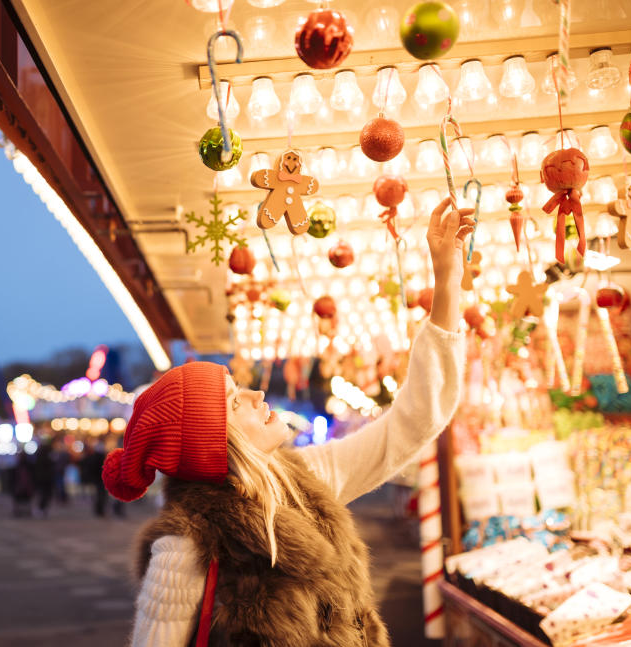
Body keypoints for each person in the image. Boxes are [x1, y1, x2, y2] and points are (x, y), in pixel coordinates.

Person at [104, 199, 473, 647]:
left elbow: (415, 421)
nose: (256, 394)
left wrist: (447, 282)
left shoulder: (305, 482)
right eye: (233, 401)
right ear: (215, 443)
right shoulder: (184, 548)